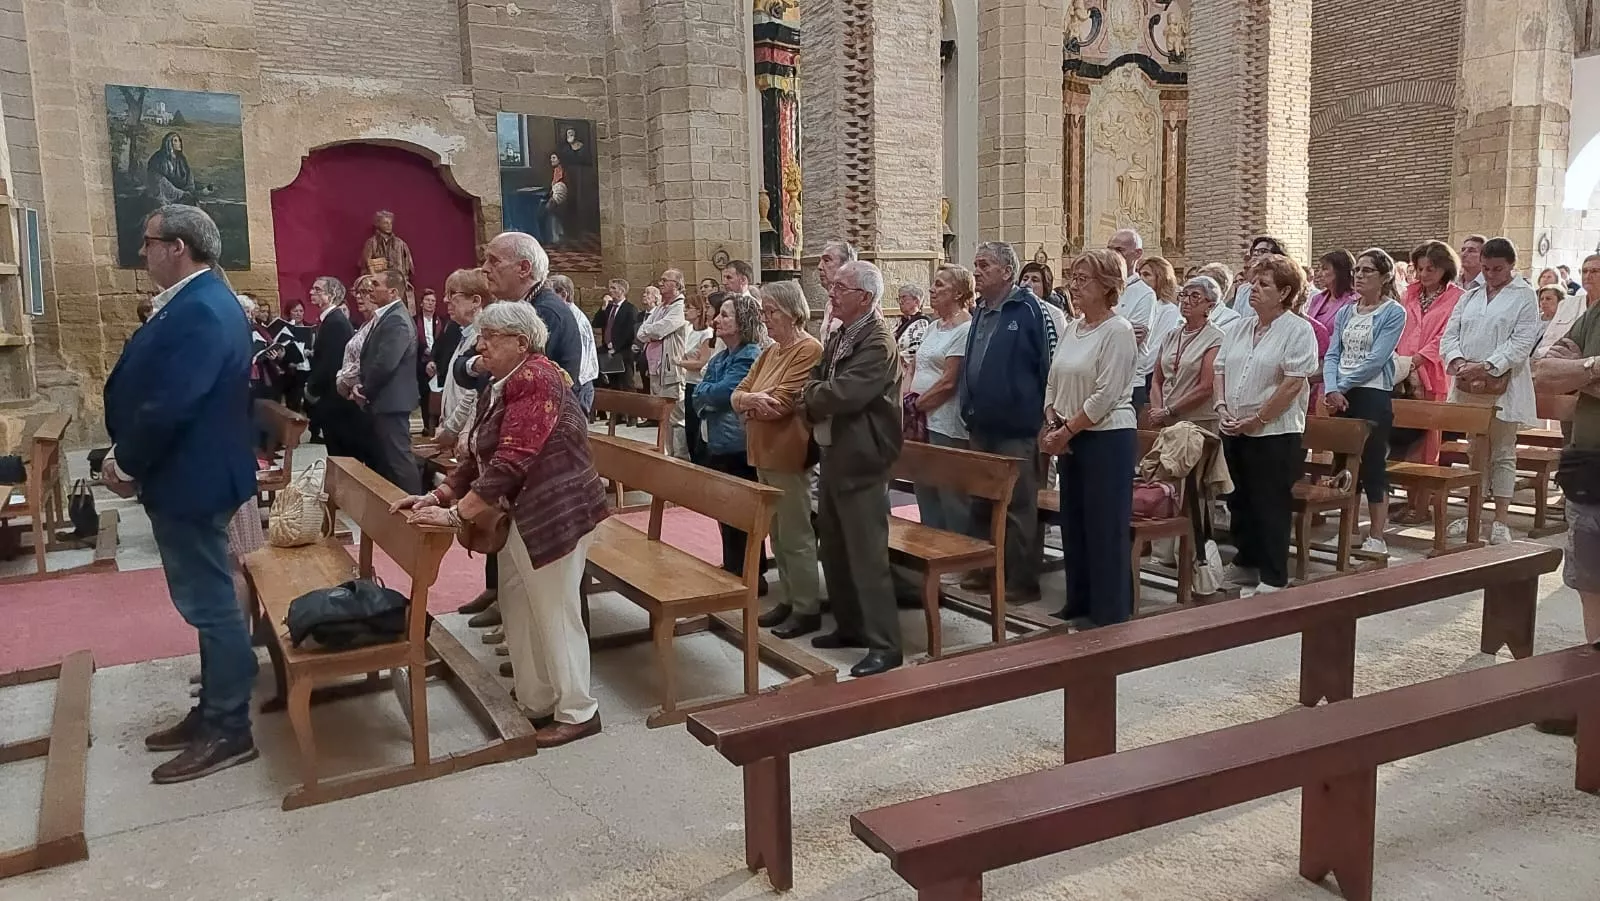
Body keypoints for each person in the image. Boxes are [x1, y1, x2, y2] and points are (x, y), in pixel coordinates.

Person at [394, 302, 608, 748]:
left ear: (522, 342)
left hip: (556, 510)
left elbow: (512, 460)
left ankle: (578, 710)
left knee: (554, 609)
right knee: (518, 604)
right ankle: (537, 699)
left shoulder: (538, 377)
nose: (480, 344)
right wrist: (437, 494)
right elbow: (477, 453)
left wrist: (455, 515)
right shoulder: (503, 382)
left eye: (491, 336)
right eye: (481, 334)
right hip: (521, 513)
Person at [102, 204, 260, 783]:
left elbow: (174, 401)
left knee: (213, 606)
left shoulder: (202, 308)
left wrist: (126, 461)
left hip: (191, 476)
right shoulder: (198, 301)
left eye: (148, 242)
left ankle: (229, 728)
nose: (141, 252)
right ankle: (211, 713)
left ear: (178, 247)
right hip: (189, 473)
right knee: (206, 603)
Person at [804, 260, 904, 677]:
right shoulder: (843, 334)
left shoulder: (877, 341)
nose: (831, 291)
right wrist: (814, 391)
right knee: (835, 547)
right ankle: (849, 626)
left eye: (840, 287)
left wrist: (810, 395)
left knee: (866, 555)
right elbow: (816, 378)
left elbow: (844, 393)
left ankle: (885, 645)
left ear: (864, 297)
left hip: (862, 458)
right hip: (834, 454)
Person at [1042, 250, 1139, 627]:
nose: (1075, 285)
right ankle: (1078, 599)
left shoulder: (1118, 331)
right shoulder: (1072, 327)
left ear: (1108, 285)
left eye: (1084, 279)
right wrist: (1051, 419)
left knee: (1104, 525)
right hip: (1070, 434)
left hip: (1106, 437)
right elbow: (1054, 377)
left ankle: (1110, 608)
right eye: (1074, 277)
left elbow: (1106, 394)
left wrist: (1065, 431)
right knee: (1075, 522)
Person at [1213, 254, 1320, 596]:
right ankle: (1246, 562)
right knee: (1238, 499)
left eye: (1263, 285)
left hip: (1275, 432)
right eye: (1252, 283)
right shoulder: (1239, 327)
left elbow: (1292, 384)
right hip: (1234, 426)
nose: (1253, 290)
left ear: (1286, 292)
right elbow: (1220, 369)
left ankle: (1274, 576)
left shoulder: (1298, 330)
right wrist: (1221, 407)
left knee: (1269, 502)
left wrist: (1257, 419)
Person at [957, 241, 1051, 602]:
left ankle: (1022, 580)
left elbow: (1046, 365)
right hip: (981, 425)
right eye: (976, 264)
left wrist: (1042, 418)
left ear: (1006, 272)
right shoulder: (981, 309)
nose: (976, 271)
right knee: (981, 502)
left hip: (1017, 428)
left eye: (984, 265)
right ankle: (983, 570)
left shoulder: (1029, 309)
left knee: (1018, 506)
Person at [1531, 252, 1600, 735]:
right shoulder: (1594, 314)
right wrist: (1594, 369)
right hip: (1588, 468)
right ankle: (1593, 698)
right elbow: (1544, 371)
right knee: (1590, 584)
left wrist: (1581, 374)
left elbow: (1565, 375)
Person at [734, 282, 824, 638]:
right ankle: (788, 598)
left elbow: (783, 403)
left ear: (793, 311)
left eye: (772, 312)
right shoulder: (770, 352)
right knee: (775, 532)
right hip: (762, 451)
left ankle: (807, 606)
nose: (766, 319)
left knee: (796, 533)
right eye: (764, 312)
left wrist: (750, 403)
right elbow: (737, 392)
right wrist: (751, 401)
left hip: (789, 452)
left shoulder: (808, 349)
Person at [1440, 237, 1543, 546]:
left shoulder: (1524, 295)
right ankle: (1473, 513)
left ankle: (1500, 519)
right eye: (1485, 268)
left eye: (1497, 269)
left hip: (1504, 386)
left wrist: (1486, 365)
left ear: (1512, 265)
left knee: (1502, 452)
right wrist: (1459, 362)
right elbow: (1450, 334)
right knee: (1475, 451)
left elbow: (1522, 342)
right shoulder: (1470, 295)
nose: (1490, 275)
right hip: (1468, 384)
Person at [1323, 248, 1408, 555]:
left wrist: (1340, 387)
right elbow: (1333, 353)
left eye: (1368, 271)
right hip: (1342, 393)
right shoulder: (1347, 310)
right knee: (1343, 463)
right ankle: (1349, 531)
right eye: (1357, 270)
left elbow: (1376, 359)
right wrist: (1330, 387)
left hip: (1372, 393)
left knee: (1372, 464)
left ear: (1384, 277)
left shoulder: (1393, 312)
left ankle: (1376, 535)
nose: (1359, 276)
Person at [694, 294, 770, 583]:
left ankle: (752, 573)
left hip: (738, 444)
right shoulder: (724, 356)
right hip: (719, 441)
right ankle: (733, 566)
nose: (716, 320)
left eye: (725, 315)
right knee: (725, 509)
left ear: (742, 322)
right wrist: (708, 396)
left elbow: (725, 393)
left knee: (742, 513)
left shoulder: (749, 355)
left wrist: (709, 396)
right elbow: (700, 393)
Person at [1391, 240, 1466, 524]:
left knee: (1428, 445)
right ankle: (1409, 499)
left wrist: (1419, 360)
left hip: (1433, 374)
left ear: (1445, 268)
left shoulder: (1457, 297)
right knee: (1406, 442)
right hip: (1405, 373)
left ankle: (1422, 505)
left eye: (1430, 268)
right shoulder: (1409, 294)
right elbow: (1401, 329)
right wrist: (1404, 364)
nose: (1423, 274)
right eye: (1419, 268)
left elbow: (1448, 335)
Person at [908, 265, 976, 534]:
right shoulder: (933, 326)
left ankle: (957, 562)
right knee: (925, 489)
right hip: (922, 420)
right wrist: (907, 398)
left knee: (951, 494)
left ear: (958, 292)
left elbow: (949, 381)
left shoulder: (966, 329)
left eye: (939, 285)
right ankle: (932, 549)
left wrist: (916, 405)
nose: (932, 290)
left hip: (946, 421)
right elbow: (915, 365)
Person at [480, 231, 582, 388]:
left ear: (524, 268)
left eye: (494, 261)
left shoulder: (544, 312)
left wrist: (477, 366)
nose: (484, 268)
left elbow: (518, 375)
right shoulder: (519, 306)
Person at [356, 269, 423, 494]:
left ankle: (415, 508)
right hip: (385, 400)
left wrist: (365, 389)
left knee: (399, 461)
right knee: (388, 461)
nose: (370, 288)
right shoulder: (387, 315)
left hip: (392, 401)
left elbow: (386, 363)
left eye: (375, 284)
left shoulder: (397, 319)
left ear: (393, 291)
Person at [1150, 276, 1226, 431]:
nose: (1185, 301)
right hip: (1166, 419)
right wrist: (1158, 411)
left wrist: (1169, 410)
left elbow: (1206, 386)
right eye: (1184, 294)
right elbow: (1157, 379)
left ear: (1210, 305)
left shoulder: (1216, 338)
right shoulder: (1172, 335)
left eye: (1195, 296)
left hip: (1197, 422)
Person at [636, 269, 692, 456]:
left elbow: (661, 330)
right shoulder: (660, 307)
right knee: (663, 416)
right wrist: (650, 332)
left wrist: (651, 332)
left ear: (676, 285)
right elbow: (641, 332)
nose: (660, 283)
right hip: (656, 368)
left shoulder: (679, 307)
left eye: (664, 280)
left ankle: (681, 456)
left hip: (671, 369)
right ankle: (667, 454)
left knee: (676, 416)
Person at [1134, 255, 1183, 416]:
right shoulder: (1140, 304)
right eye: (1139, 274)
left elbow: (1157, 348)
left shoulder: (1168, 310)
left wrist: (1136, 367)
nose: (1141, 279)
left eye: (1147, 275)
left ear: (1161, 278)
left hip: (1149, 376)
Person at [676, 297, 718, 464]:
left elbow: (702, 363)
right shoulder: (689, 330)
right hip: (689, 382)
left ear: (699, 311)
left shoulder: (707, 334)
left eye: (689, 308)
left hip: (699, 383)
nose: (685, 311)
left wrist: (680, 362)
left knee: (699, 430)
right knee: (690, 428)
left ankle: (700, 464)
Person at [549, 274, 598, 414]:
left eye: (550, 295)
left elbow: (579, 356)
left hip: (578, 383)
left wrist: (571, 385)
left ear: (563, 294)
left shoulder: (575, 320)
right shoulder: (564, 316)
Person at [414, 289, 450, 436]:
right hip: (420, 362)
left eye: (433, 301)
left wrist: (434, 360)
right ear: (422, 303)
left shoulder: (442, 321)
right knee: (424, 395)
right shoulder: (414, 320)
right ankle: (426, 425)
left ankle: (436, 425)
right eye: (428, 300)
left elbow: (442, 343)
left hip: (437, 363)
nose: (430, 304)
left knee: (437, 394)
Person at [593, 278, 640, 391]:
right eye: (610, 288)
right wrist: (603, 308)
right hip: (607, 351)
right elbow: (596, 323)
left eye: (613, 288)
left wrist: (615, 348)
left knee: (625, 385)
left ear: (622, 291)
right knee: (611, 385)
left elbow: (629, 332)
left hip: (622, 352)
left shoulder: (630, 309)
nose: (610, 291)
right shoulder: (608, 308)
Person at [1306, 250, 1357, 339]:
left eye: (1325, 269)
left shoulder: (1354, 301)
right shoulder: (1317, 299)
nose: (1318, 274)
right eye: (1319, 269)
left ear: (1340, 272)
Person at [360, 210, 414, 285]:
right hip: (377, 284)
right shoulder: (371, 243)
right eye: (385, 223)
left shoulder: (400, 244)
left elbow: (408, 267)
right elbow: (365, 265)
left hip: (398, 283)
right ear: (378, 224)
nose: (389, 225)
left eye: (390, 223)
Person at [817, 240, 856, 340]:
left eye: (827, 261)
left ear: (845, 266)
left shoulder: (859, 303)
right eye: (820, 261)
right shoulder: (830, 304)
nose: (819, 267)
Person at [1533, 284, 1585, 360]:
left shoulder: (1566, 322)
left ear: (1560, 301)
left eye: (1548, 299)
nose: (1543, 302)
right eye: (1541, 299)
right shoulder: (1533, 319)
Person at [894, 283, 932, 380]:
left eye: (904, 298)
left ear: (916, 301)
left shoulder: (922, 322)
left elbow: (917, 349)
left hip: (909, 374)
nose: (900, 302)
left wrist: (894, 358)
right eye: (899, 298)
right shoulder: (900, 322)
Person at [1198, 262, 1242, 327]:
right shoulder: (1188, 312)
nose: (1197, 289)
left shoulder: (1231, 319)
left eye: (1205, 285)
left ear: (1221, 289)